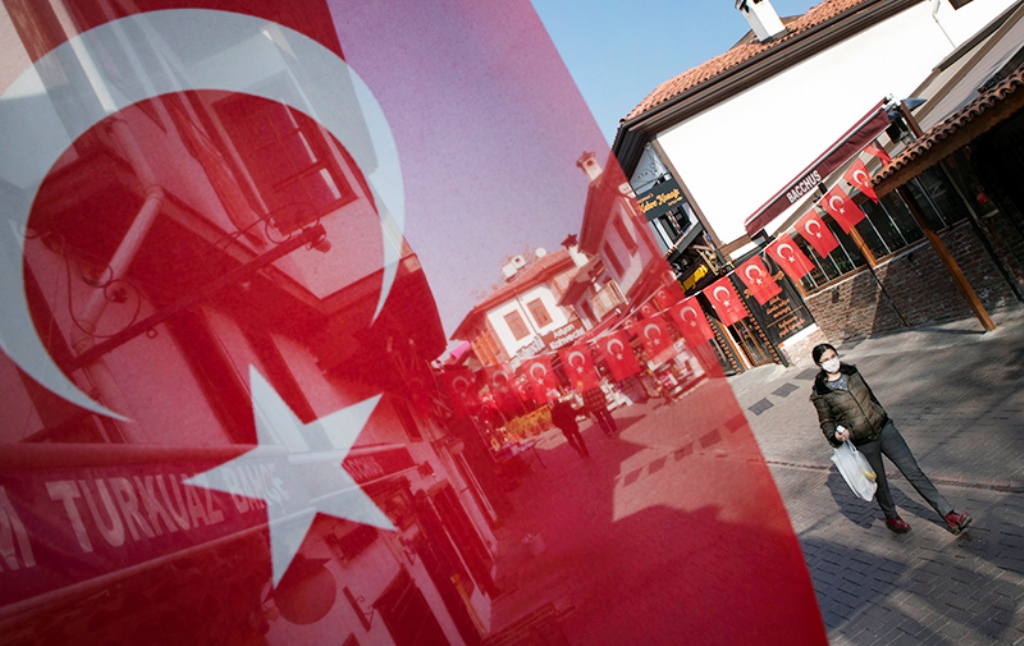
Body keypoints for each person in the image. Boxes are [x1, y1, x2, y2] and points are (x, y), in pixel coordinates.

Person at [809, 343, 972, 535]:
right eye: (826, 360)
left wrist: (881, 414)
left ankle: (949, 514)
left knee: (913, 471)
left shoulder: (852, 373)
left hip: (885, 430)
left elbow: (871, 397)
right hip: (863, 442)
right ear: (819, 365)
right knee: (881, 483)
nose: (831, 362)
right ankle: (892, 517)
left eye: (833, 356)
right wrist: (835, 436)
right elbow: (826, 422)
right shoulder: (821, 393)